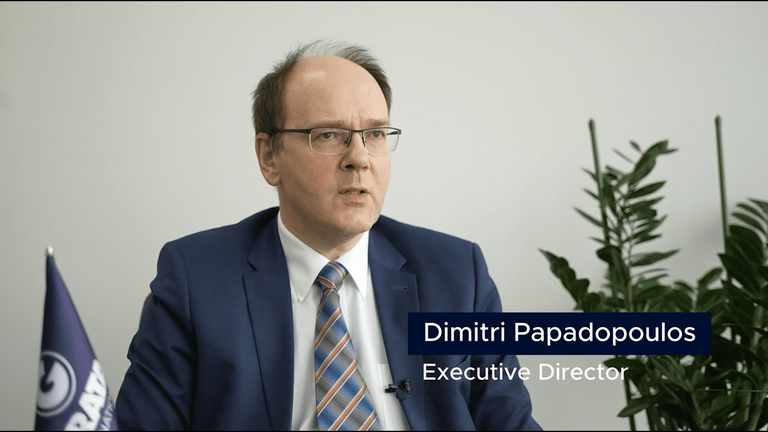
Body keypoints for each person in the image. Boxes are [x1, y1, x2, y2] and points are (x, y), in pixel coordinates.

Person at [115, 40, 540, 431]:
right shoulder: (196, 280)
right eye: (329, 135)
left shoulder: (458, 274)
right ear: (269, 157)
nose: (359, 158)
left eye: (375, 134)